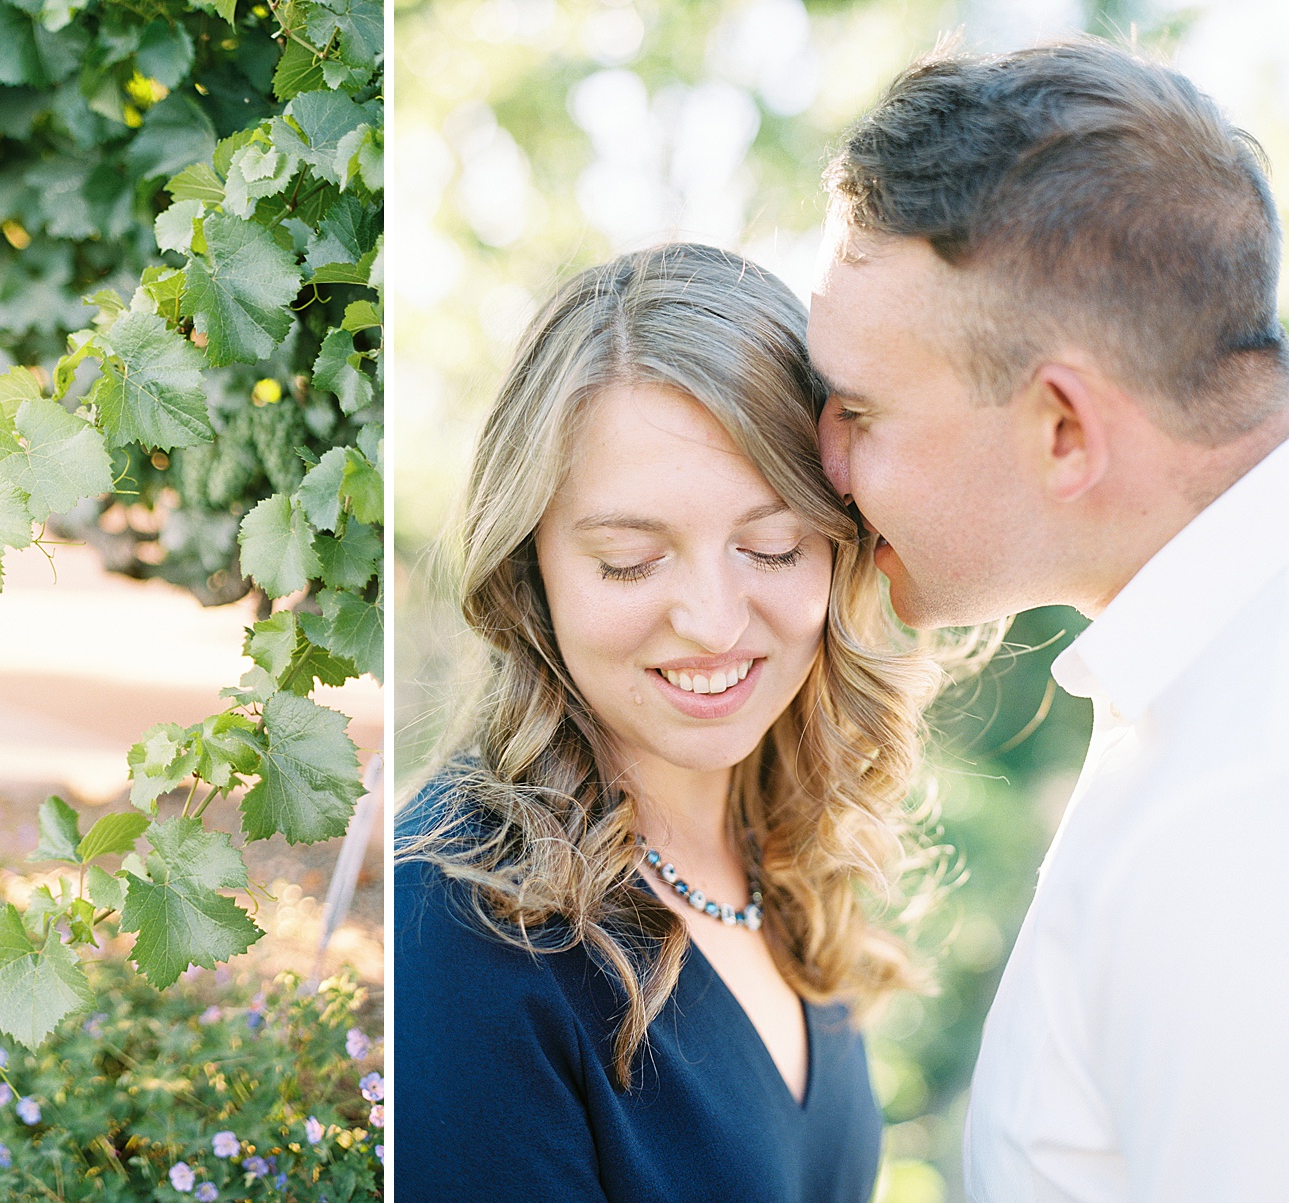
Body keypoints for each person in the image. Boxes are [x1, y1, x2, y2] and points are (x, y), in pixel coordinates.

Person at [810, 38, 1289, 1202]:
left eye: (860, 409)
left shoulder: (1232, 815)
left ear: (1064, 429)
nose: (821, 461)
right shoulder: (1202, 682)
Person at [396, 242, 954, 1201]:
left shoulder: (789, 865)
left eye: (772, 547)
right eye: (630, 559)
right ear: (532, 570)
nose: (713, 619)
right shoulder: (461, 927)